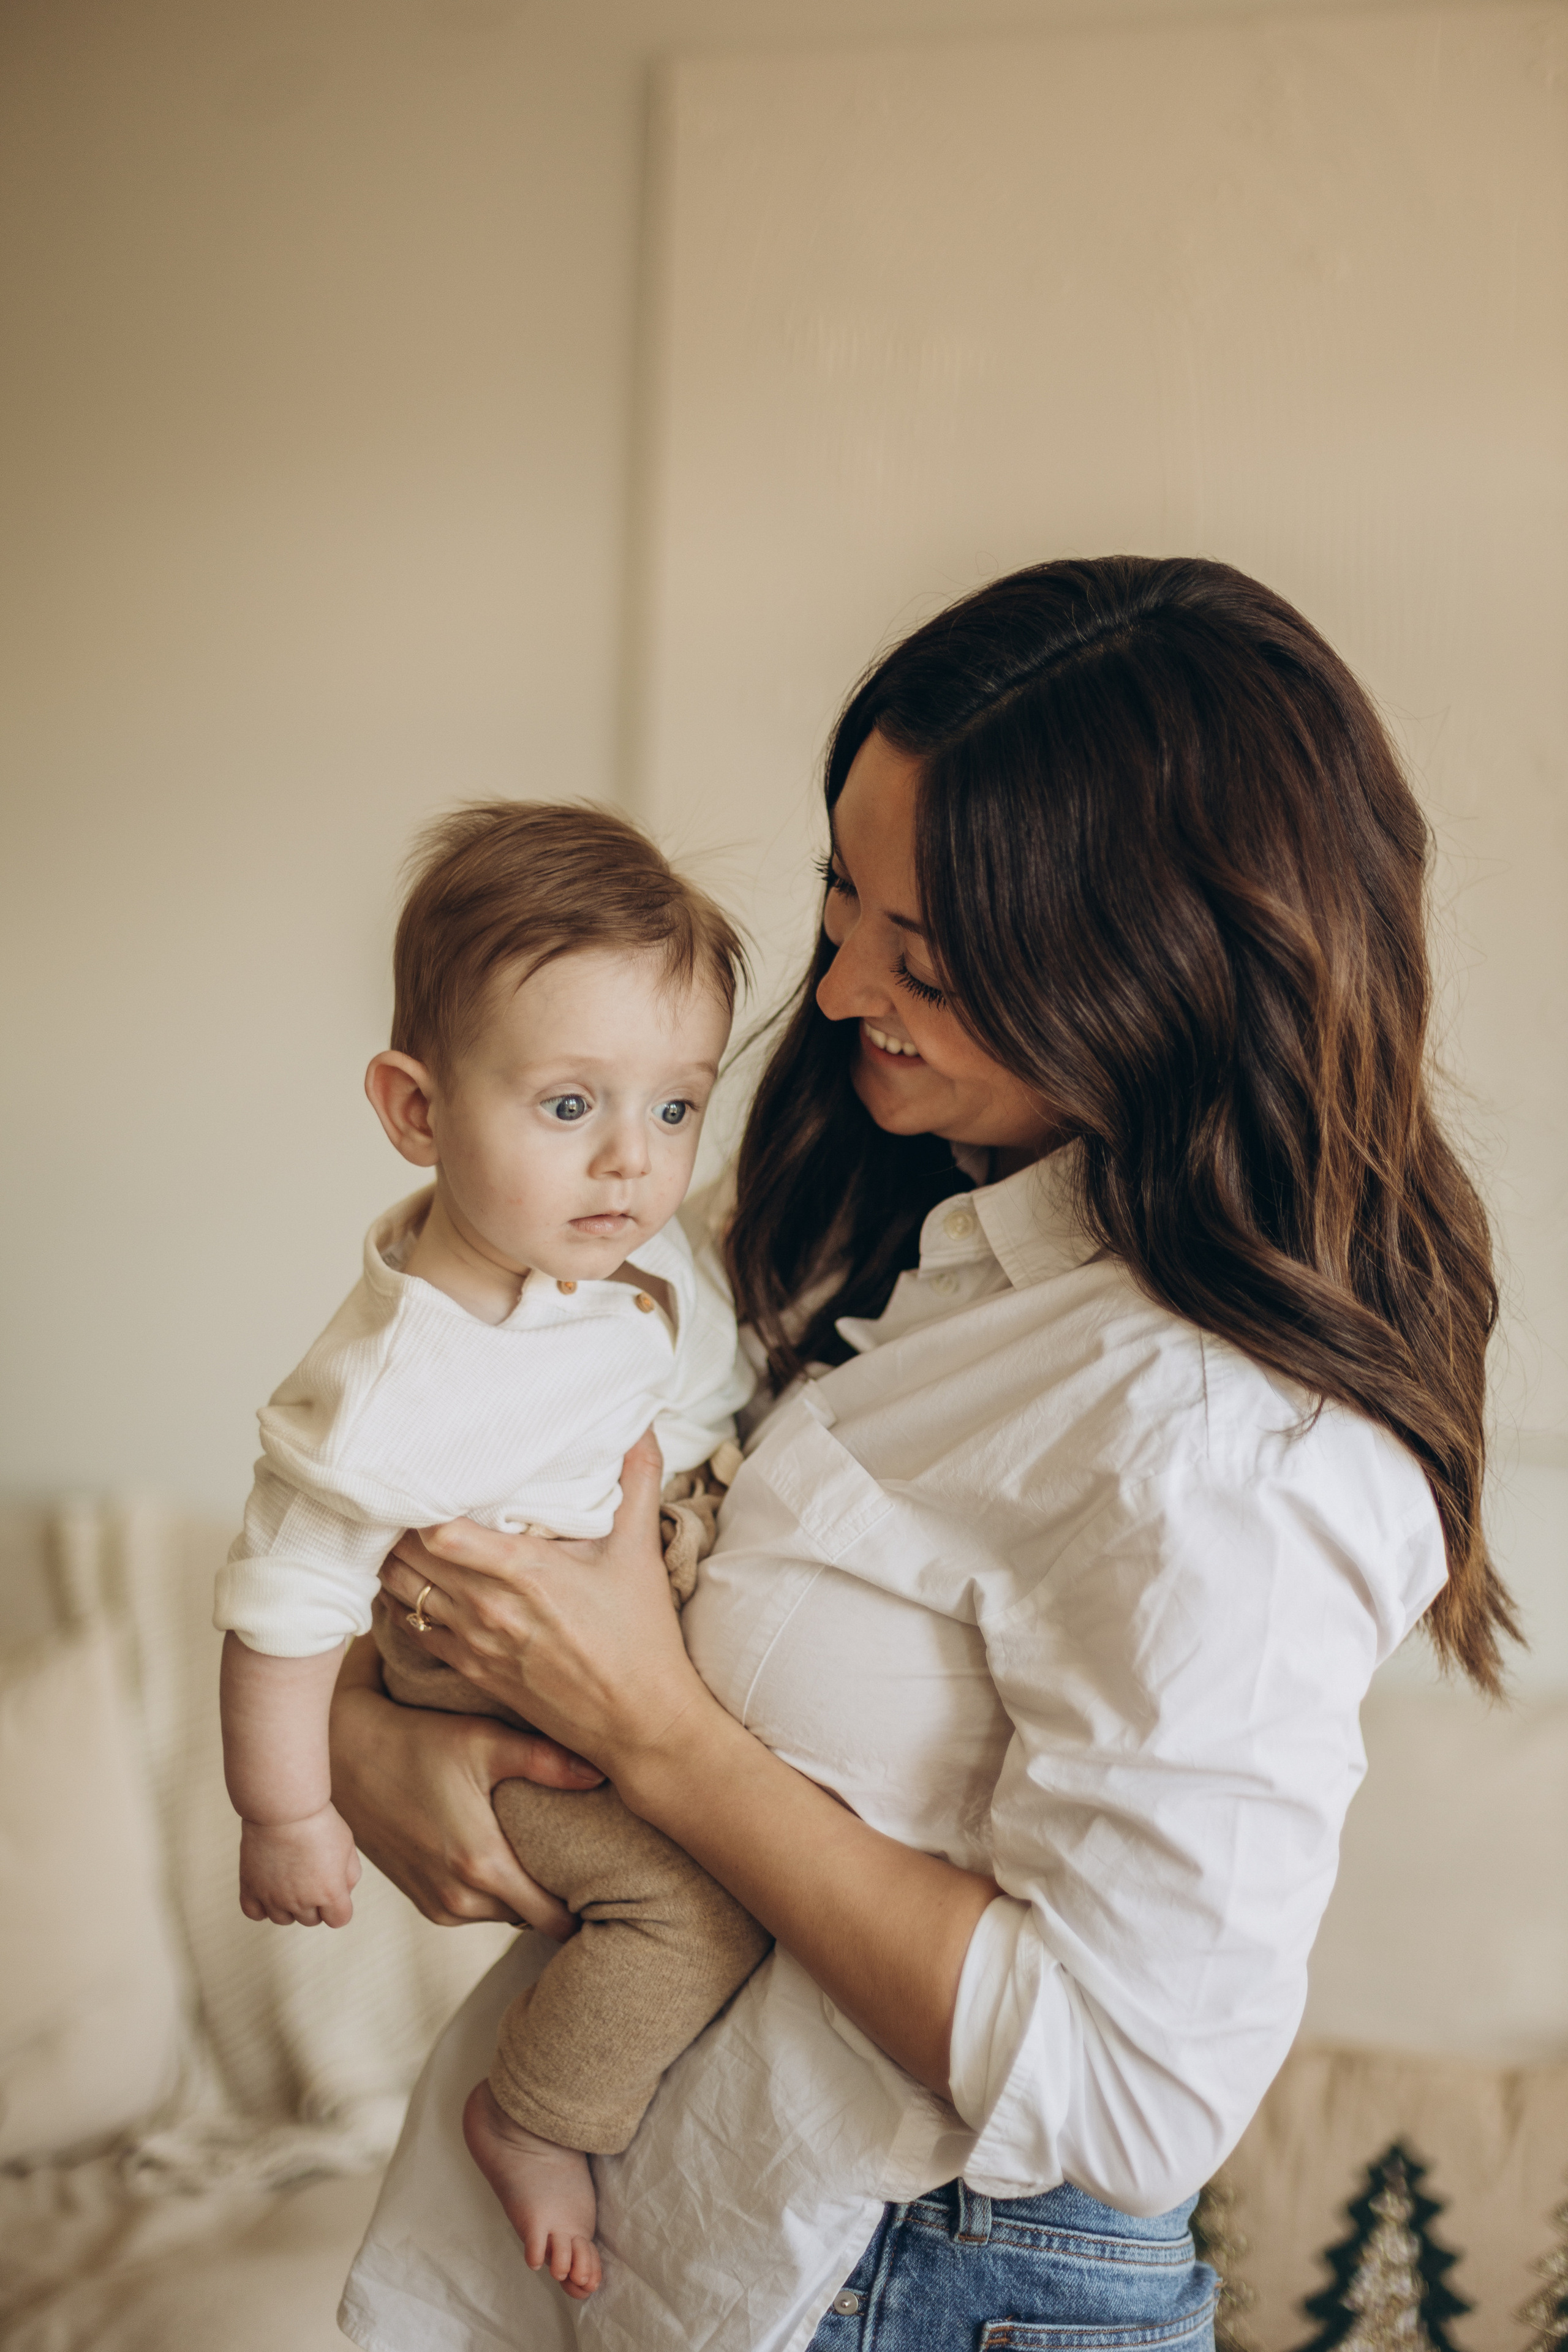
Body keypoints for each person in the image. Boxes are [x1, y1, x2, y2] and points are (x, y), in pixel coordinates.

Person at [332, 557, 1513, 2352]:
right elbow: (486, 1468)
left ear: (1155, 977)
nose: (834, 994)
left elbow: (1134, 2096)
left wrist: (659, 1737)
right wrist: (357, 1729)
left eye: (936, 960)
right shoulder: (945, 1230)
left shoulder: (1226, 1442)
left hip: (941, 2286)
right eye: (841, 897)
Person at [215, 801, 767, 2300]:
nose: (630, 1166)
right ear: (415, 1109)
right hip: (485, 1706)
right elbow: (283, 1599)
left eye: (673, 1110)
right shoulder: (397, 1381)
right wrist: (288, 1810)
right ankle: (534, 2118)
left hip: (597, 1641)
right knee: (689, 1911)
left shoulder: (636, 1263)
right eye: (569, 1106)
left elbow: (704, 1386)